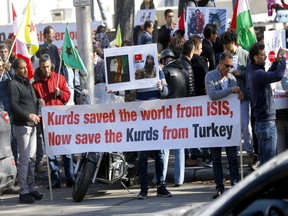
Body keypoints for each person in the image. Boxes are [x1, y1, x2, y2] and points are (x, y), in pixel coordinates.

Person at [32, 54, 74, 189]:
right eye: (44, 67)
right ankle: (55, 179)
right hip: (46, 122)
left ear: (52, 66)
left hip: (60, 120)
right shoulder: (36, 84)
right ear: (40, 67)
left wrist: (60, 93)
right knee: (51, 153)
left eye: (48, 67)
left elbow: (67, 97)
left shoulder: (60, 78)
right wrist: (38, 102)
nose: (46, 70)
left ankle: (70, 177)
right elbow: (32, 103)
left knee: (66, 150)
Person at [205, 51, 243, 199]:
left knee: (232, 157)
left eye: (231, 66)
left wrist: (239, 95)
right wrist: (230, 90)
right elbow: (213, 95)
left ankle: (235, 186)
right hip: (214, 123)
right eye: (227, 65)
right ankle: (219, 187)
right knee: (216, 158)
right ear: (220, 63)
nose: (229, 69)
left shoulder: (232, 78)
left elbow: (236, 97)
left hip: (229, 124)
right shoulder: (210, 76)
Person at [7, 58, 44, 203]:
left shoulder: (28, 84)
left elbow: (31, 101)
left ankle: (31, 188)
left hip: (32, 126)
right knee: (23, 160)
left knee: (31, 159)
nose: (25, 70)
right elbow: (14, 106)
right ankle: (23, 191)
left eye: (25, 67)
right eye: (21, 68)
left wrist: (38, 103)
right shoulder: (13, 84)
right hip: (22, 126)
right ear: (16, 70)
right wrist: (29, 115)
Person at [220, 29, 255, 170]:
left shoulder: (245, 55)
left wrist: (240, 73)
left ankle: (251, 154)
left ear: (233, 42)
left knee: (246, 127)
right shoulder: (224, 56)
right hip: (229, 99)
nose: (225, 47)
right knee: (232, 129)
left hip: (244, 97)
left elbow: (252, 74)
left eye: (227, 44)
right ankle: (232, 158)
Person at [247, 43, 285, 166]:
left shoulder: (256, 72)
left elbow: (268, 75)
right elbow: (278, 75)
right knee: (269, 166)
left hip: (262, 123)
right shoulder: (257, 74)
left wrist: (276, 62)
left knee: (265, 165)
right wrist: (283, 59)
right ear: (255, 58)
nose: (265, 57)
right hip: (266, 124)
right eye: (262, 55)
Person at [160, 49, 188, 187]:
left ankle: (161, 178)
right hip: (182, 111)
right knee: (179, 147)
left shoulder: (165, 72)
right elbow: (190, 91)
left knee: (165, 147)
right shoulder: (184, 71)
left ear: (165, 59)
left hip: (168, 112)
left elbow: (161, 92)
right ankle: (179, 179)